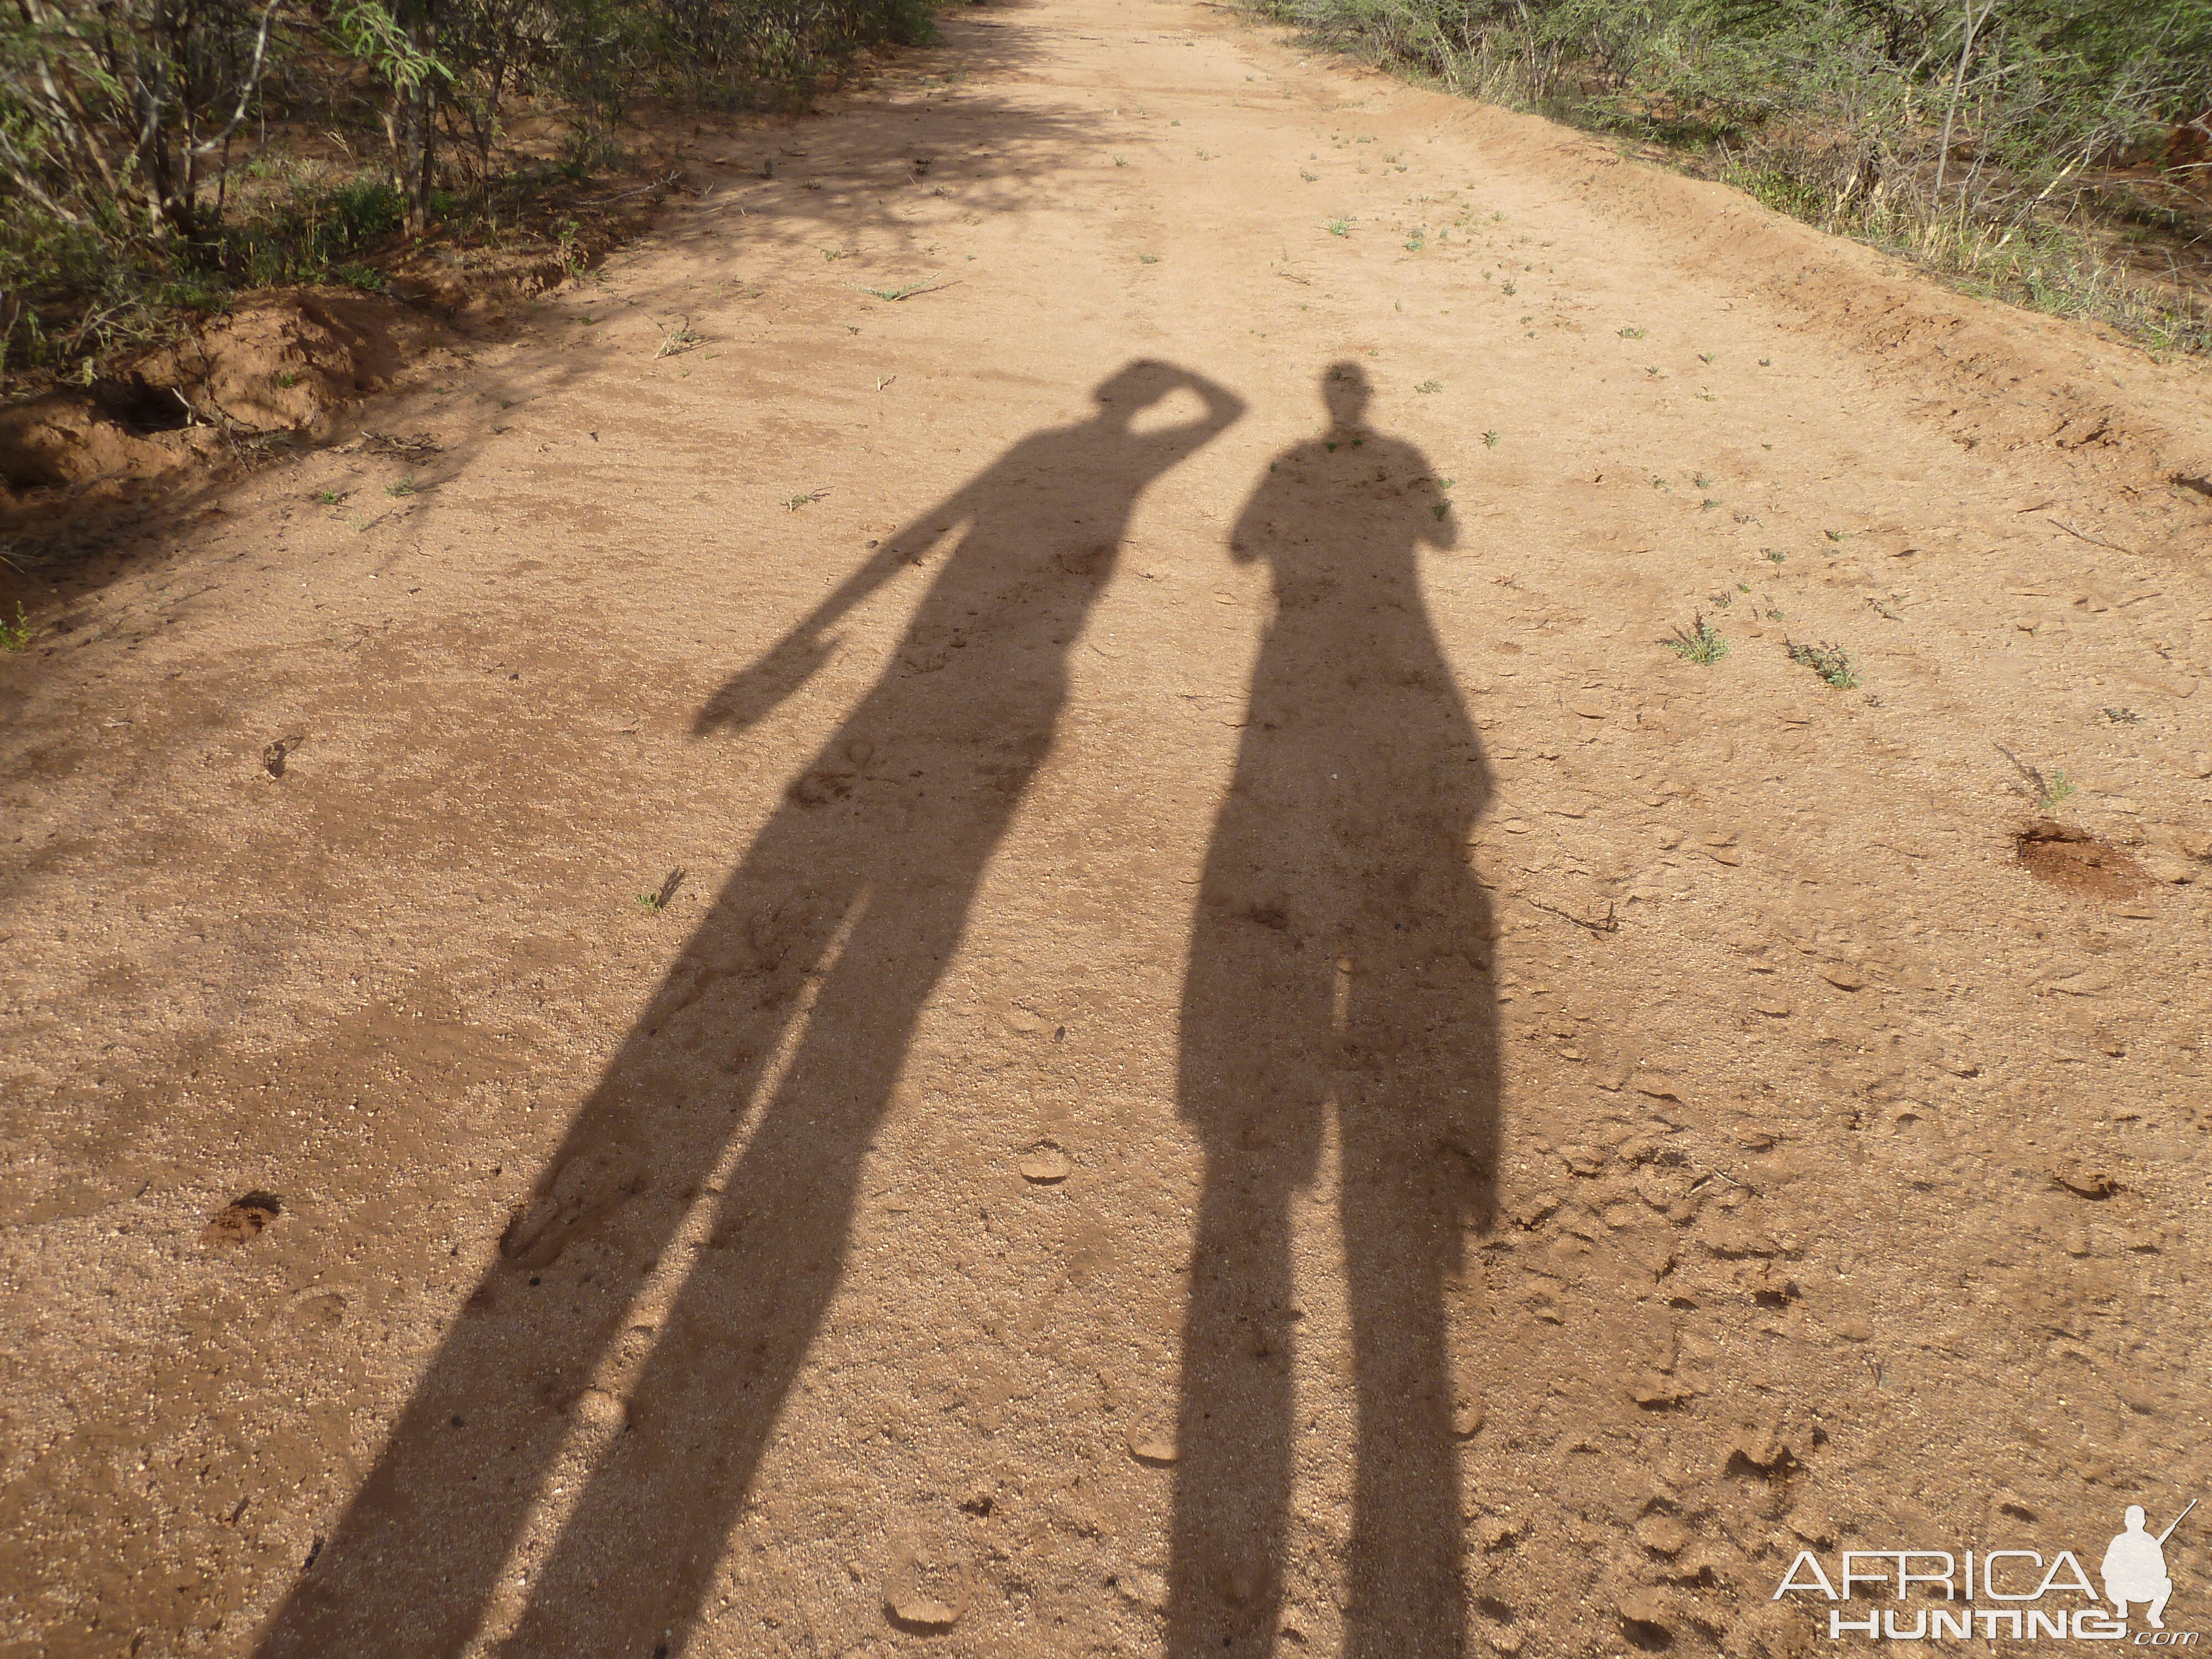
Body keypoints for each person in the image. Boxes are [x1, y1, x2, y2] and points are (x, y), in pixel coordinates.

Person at [254, 360, 1245, 1659]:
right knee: (907, 931)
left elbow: (914, 544)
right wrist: (1175, 386)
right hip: (1007, 678)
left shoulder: (1058, 446)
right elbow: (1209, 419)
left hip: (921, 665)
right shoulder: (1101, 453)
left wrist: (797, 642)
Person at [1169, 362, 1499, 1657]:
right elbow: (1446, 534)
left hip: (1291, 665)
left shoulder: (1288, 473)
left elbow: (1244, 543)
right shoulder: (1395, 462)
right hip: (1388, 664)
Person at [2103, 1505, 2174, 1629]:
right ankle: (2121, 1606)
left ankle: (2154, 1615)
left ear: (2143, 1522)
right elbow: (2106, 1571)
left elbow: (2162, 1571)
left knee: (2167, 1583)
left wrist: (2145, 1569)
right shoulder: (2119, 1541)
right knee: (2109, 1583)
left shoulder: (2150, 1542)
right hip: (2123, 1588)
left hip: (2145, 1589)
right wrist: (2124, 1570)